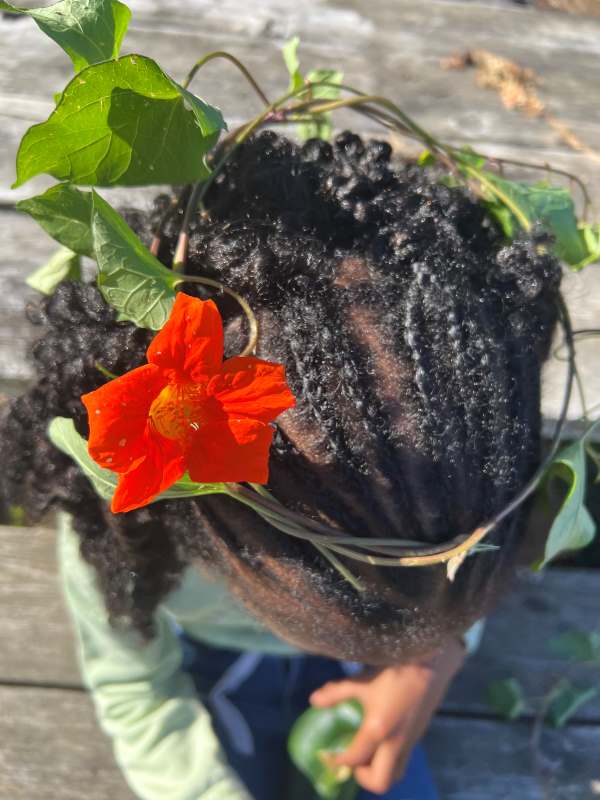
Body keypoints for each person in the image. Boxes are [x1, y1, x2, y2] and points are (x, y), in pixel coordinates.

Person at [0, 130, 560, 799]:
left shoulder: (451, 507)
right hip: (221, 662)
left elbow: (462, 559)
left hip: (373, 675)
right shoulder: (133, 535)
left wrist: (429, 662)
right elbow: (136, 687)